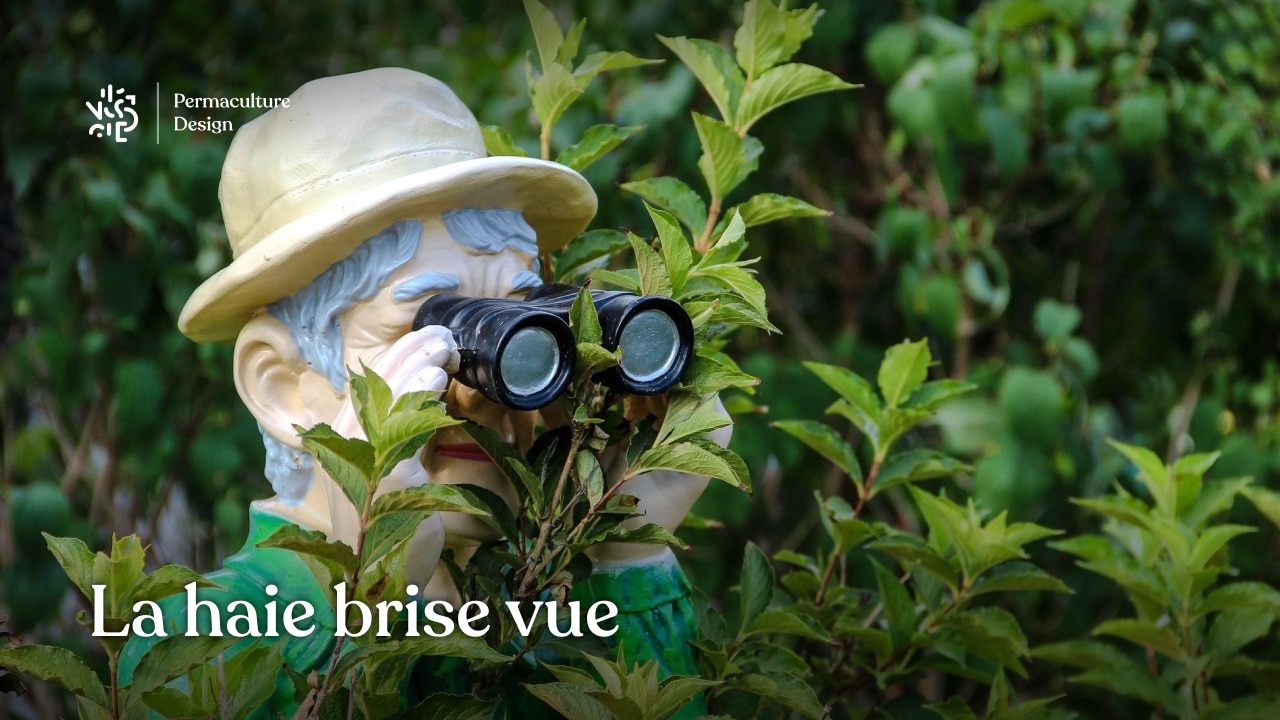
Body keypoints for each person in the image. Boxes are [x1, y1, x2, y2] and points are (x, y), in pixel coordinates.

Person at [118, 67, 725, 716]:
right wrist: (362, 598)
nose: (481, 396)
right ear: (286, 387)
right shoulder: (186, 648)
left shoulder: (547, 636)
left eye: (516, 328)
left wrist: (633, 556)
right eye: (431, 329)